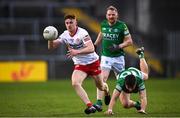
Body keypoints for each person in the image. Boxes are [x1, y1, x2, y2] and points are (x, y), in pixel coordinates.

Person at [47, 14, 110, 114]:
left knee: (101, 86)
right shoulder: (65, 35)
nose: (69, 25)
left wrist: (77, 52)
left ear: (76, 22)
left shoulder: (82, 33)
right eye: (67, 23)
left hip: (93, 62)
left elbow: (91, 48)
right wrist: (50, 38)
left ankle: (106, 90)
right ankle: (90, 106)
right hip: (80, 65)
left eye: (71, 22)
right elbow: (52, 46)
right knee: (75, 83)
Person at [94, 5, 133, 109]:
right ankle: (99, 102)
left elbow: (130, 41)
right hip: (106, 57)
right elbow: (101, 33)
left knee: (122, 82)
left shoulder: (122, 26)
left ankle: (130, 103)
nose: (111, 16)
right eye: (109, 15)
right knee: (102, 78)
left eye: (113, 15)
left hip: (119, 58)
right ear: (106, 16)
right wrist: (95, 44)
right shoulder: (103, 24)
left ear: (117, 15)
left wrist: (118, 46)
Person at [104, 47, 149, 115]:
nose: (130, 90)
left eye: (132, 87)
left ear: (135, 83)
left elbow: (143, 97)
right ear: (125, 84)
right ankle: (137, 104)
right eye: (128, 87)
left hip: (135, 72)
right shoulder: (121, 82)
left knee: (146, 76)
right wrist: (110, 110)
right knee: (125, 104)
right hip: (123, 75)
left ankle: (141, 55)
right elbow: (114, 98)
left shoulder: (139, 80)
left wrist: (143, 109)